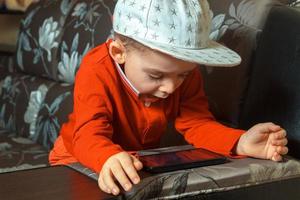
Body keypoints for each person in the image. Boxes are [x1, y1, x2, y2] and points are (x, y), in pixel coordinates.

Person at [49, 0, 288, 196]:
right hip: (78, 161)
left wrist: (241, 142)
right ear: (119, 52)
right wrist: (106, 157)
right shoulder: (97, 68)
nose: (170, 87)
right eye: (156, 75)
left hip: (133, 163)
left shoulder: (181, 75)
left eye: (183, 74)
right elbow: (88, 132)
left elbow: (197, 124)